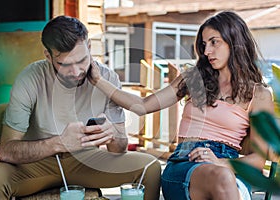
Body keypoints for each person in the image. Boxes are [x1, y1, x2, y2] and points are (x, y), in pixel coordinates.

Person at [88, 11, 275, 199]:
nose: (207, 51)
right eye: (204, 45)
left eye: (214, 42)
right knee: (222, 178)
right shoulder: (194, 79)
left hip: (228, 167)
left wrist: (220, 162)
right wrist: (98, 81)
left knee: (224, 177)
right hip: (185, 163)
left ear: (234, 41)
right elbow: (142, 105)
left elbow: (259, 160)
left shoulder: (259, 95)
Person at [0, 16, 161, 199]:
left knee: (150, 167)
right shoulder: (30, 79)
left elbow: (119, 149)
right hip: (37, 164)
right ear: (48, 56)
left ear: (89, 47)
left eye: (82, 60)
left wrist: (113, 134)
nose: (76, 72)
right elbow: (7, 150)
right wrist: (59, 143)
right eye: (64, 64)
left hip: (88, 162)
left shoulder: (107, 78)